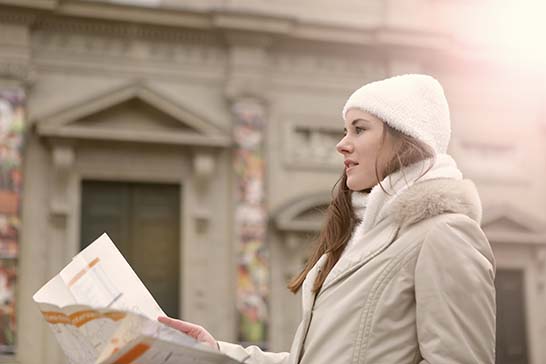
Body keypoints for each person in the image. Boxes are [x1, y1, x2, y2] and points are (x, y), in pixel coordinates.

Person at [159, 74, 496, 364]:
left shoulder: (445, 234)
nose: (342, 145)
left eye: (359, 129)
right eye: (345, 130)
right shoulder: (359, 237)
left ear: (404, 138)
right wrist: (216, 351)